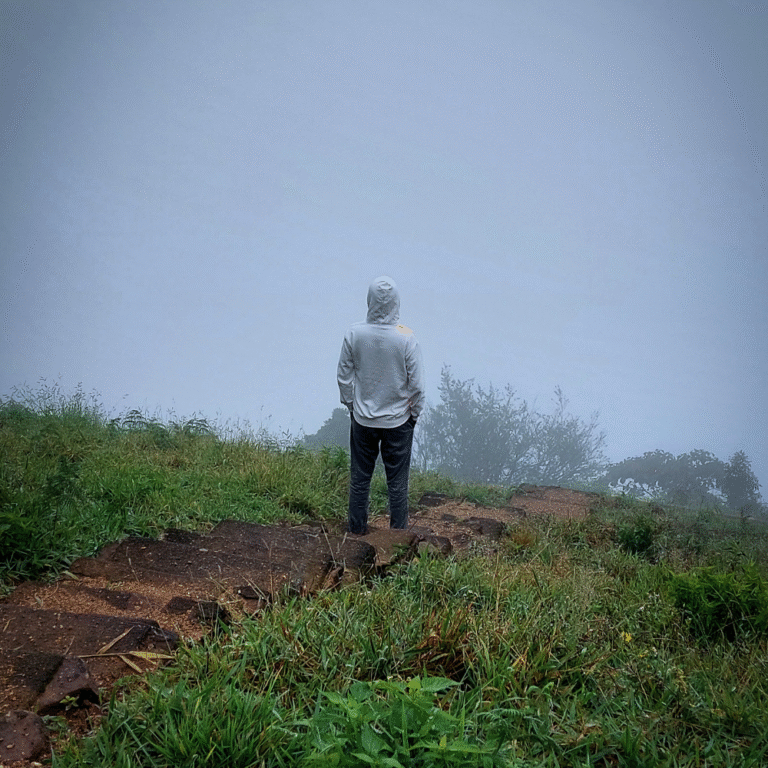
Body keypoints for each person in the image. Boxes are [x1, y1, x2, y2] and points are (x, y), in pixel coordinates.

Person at [337, 276, 425, 535]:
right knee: (397, 484)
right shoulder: (406, 338)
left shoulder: (354, 334)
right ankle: (398, 540)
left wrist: (352, 405)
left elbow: (344, 376)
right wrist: (413, 415)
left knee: (360, 480)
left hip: (363, 419)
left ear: (369, 300)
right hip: (398, 421)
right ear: (396, 301)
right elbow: (417, 385)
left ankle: (355, 535)